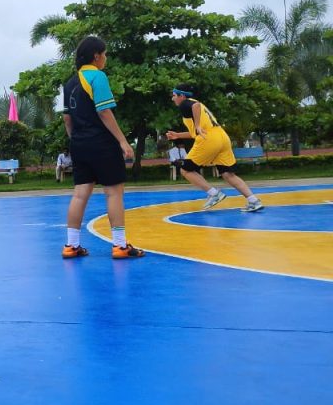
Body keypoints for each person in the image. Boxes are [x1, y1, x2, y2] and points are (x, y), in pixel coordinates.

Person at [61, 35, 145, 259]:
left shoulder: (69, 83)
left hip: (79, 143)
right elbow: (104, 111)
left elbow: (67, 119)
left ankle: (71, 245)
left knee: (79, 195)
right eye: (104, 54)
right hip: (102, 143)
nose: (105, 58)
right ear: (96, 56)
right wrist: (122, 141)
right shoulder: (97, 76)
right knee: (113, 192)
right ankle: (120, 246)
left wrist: (76, 141)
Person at [165, 84, 264, 212]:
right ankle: (253, 200)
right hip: (222, 137)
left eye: (174, 95)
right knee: (228, 174)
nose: (173, 99)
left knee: (185, 170)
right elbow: (197, 131)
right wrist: (178, 135)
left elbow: (196, 111)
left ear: (182, 95)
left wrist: (197, 125)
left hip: (209, 140)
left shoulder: (186, 104)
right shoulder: (199, 105)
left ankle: (213, 193)